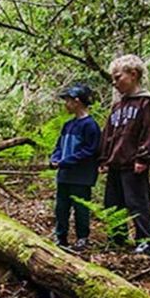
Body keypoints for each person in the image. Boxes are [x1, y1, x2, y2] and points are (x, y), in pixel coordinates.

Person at [99, 54, 150, 254]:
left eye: (118, 77)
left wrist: (143, 157)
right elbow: (108, 133)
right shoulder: (118, 105)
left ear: (133, 74)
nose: (114, 83)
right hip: (116, 162)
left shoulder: (145, 102)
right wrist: (103, 158)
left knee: (137, 203)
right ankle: (117, 237)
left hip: (133, 163)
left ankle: (147, 241)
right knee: (113, 203)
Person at [49, 83, 101, 251]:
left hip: (81, 176)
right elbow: (59, 146)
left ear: (77, 101)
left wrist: (66, 161)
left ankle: (82, 238)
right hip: (64, 175)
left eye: (68, 100)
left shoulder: (90, 125)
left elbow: (90, 151)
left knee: (81, 208)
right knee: (61, 208)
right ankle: (61, 237)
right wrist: (55, 158)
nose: (66, 104)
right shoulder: (68, 125)